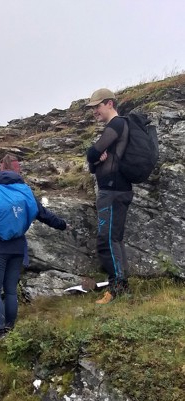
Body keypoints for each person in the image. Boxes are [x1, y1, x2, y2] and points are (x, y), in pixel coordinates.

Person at [0, 155, 67, 345]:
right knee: (11, 291)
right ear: (17, 169)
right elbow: (43, 213)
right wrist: (62, 225)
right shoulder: (24, 190)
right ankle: (10, 328)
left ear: (0, 168)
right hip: (17, 246)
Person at [84, 88, 132, 304]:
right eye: (92, 108)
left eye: (97, 106)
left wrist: (94, 157)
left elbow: (92, 154)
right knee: (115, 239)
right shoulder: (119, 125)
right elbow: (94, 165)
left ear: (109, 103)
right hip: (119, 188)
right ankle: (121, 285)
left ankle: (115, 288)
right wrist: (95, 160)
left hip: (112, 190)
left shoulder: (116, 124)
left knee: (106, 240)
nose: (94, 111)